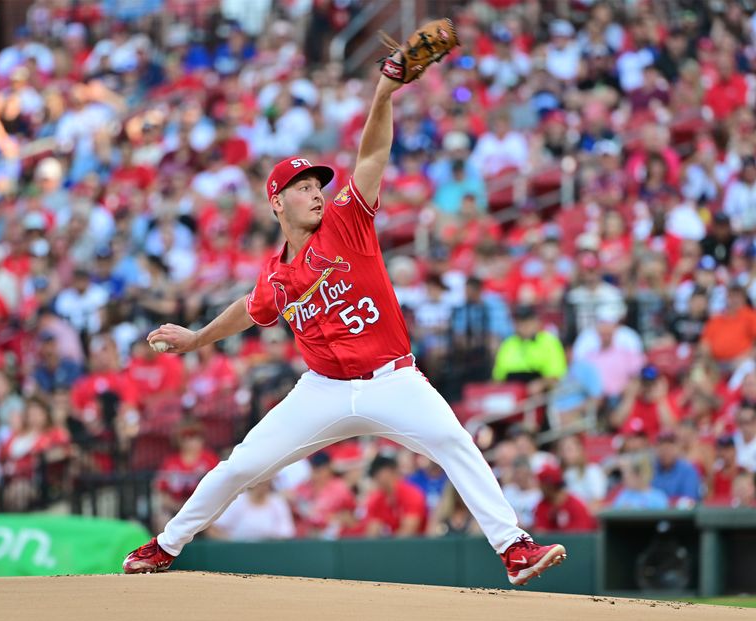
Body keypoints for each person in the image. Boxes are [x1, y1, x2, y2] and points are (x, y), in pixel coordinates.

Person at [123, 50, 567, 584]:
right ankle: (166, 546)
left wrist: (384, 94)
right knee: (240, 465)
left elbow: (373, 154)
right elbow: (251, 308)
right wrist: (197, 339)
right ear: (276, 204)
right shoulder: (277, 272)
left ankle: (513, 548)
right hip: (324, 390)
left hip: (393, 379)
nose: (315, 193)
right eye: (302, 188)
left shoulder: (347, 220)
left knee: (455, 442)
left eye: (317, 185)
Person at [363, 455, 426, 537]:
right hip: (390, 545)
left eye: (377, 474)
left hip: (416, 546)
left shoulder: (411, 494)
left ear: (388, 471)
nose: (375, 478)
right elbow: (371, 533)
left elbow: (408, 532)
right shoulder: (377, 499)